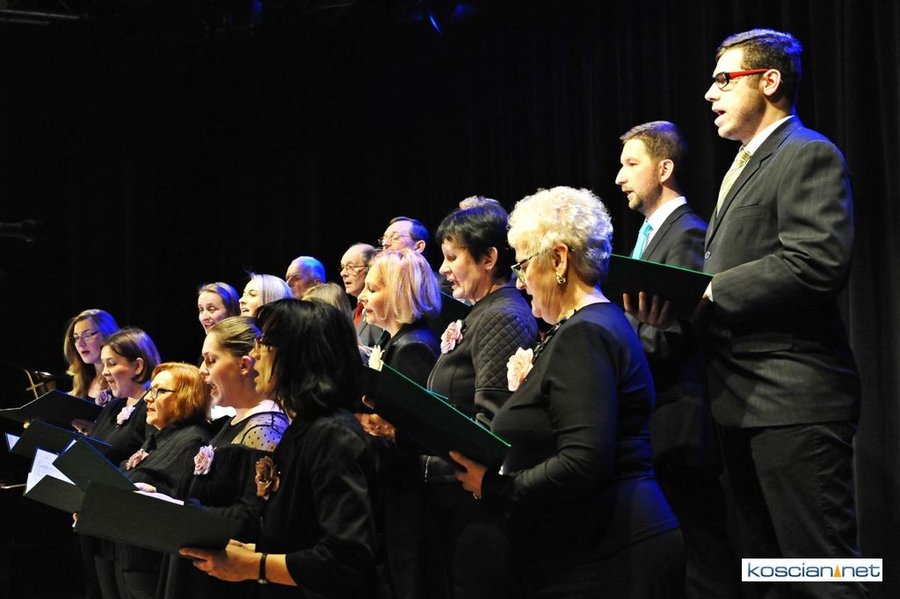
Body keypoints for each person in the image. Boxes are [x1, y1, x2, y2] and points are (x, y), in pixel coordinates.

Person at [451, 185, 683, 597]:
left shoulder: (586, 333)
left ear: (558, 259)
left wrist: (496, 489)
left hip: (614, 551)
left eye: (523, 265)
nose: (521, 282)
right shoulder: (590, 326)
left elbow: (582, 461)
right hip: (601, 543)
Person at [699, 29, 863, 598]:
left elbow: (816, 260)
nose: (710, 93)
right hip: (742, 404)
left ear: (769, 81)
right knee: (771, 579)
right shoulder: (745, 163)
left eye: (724, 79)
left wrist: (710, 291)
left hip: (794, 402)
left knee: (827, 577)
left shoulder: (807, 152)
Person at [180, 299, 379, 598]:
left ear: (296, 354)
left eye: (263, 344)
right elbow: (299, 535)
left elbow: (347, 560)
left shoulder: (332, 435)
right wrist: (250, 551)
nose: (254, 354)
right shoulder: (303, 429)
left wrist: (254, 565)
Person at [617, 121, 740, 598]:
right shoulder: (649, 233)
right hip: (657, 417)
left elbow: (679, 331)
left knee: (704, 558)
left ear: (664, 169)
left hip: (681, 420)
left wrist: (613, 362)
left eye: (632, 164)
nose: (620, 177)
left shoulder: (687, 232)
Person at [424, 201, 539, 599]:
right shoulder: (482, 312)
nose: (443, 269)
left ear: (489, 258)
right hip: (461, 506)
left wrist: (424, 465)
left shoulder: (502, 315)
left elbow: (492, 426)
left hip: (481, 511)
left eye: (452, 257)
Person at [160, 316, 289, 599]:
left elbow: (253, 517)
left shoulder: (264, 428)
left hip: (225, 580)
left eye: (211, 360)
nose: (202, 371)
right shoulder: (234, 422)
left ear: (244, 365)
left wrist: (182, 511)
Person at [356, 248, 442, 599]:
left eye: (373, 289)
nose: (362, 296)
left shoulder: (413, 347)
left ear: (400, 293)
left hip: (410, 497)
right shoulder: (396, 341)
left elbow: (419, 431)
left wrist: (378, 426)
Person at [114, 362, 213, 599]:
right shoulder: (159, 438)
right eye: (150, 390)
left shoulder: (192, 441)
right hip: (130, 559)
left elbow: (181, 504)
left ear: (187, 396)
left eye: (159, 391)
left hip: (155, 568)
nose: (148, 398)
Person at [81, 327, 161, 599]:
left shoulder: (152, 407)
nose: (104, 372)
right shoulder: (114, 406)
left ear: (138, 366)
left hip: (131, 534)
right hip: (101, 526)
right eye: (104, 364)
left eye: (112, 363)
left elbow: (149, 461)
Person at [62, 309, 120, 402]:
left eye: (87, 335)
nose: (80, 344)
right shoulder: (83, 381)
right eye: (76, 338)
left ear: (108, 334)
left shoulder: (121, 381)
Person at [340, 242, 383, 347]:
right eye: (343, 267)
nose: (343, 273)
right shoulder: (351, 315)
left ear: (370, 268)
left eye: (350, 267)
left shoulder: (380, 313)